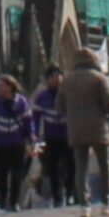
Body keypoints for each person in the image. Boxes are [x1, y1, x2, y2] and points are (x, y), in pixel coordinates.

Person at [63, 47, 109, 217]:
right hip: (98, 127)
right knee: (105, 164)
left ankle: (84, 206)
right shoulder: (99, 78)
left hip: (76, 129)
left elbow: (59, 106)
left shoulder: (67, 80)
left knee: (81, 167)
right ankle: (106, 202)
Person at [0, 74, 34, 213]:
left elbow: (28, 123)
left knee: (17, 175)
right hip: (1, 145)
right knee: (1, 176)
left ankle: (14, 203)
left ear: (10, 87)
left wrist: (32, 140)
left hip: (17, 144)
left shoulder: (22, 102)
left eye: (2, 86)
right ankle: (1, 203)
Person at [31, 66, 73, 207]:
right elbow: (36, 118)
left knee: (71, 166)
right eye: (52, 76)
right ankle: (57, 197)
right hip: (51, 137)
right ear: (47, 80)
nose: (56, 79)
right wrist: (35, 136)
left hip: (68, 136)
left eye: (58, 75)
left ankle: (71, 193)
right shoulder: (42, 98)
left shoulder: (70, 94)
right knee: (52, 168)